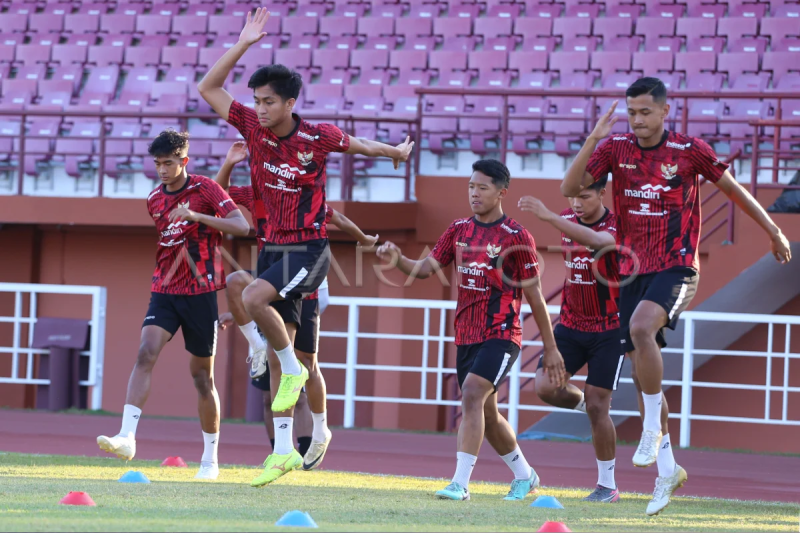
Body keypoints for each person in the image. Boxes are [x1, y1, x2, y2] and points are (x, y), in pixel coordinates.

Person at [199, 8, 412, 487]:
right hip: (272, 249)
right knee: (274, 349)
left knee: (256, 304)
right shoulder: (252, 129)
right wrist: (242, 44)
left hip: (309, 250)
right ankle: (281, 450)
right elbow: (208, 89)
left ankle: (305, 397)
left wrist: (396, 152)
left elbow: (360, 145)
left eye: (269, 101)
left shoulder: (317, 137)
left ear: (291, 103)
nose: (260, 108)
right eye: (256, 100)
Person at [561, 77, 792, 516]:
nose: (637, 120)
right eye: (631, 113)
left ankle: (651, 429)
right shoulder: (616, 149)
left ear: (666, 111)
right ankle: (667, 470)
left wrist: (774, 230)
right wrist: (594, 136)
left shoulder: (689, 152)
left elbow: (735, 192)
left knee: (640, 327)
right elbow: (569, 188)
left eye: (645, 112)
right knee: (642, 367)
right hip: (631, 270)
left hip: (677, 264)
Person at [376, 160, 566, 502]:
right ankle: (526, 475)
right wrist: (397, 258)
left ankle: (460, 484)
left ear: (501, 192)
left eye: (482, 187)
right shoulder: (458, 229)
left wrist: (550, 349)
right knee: (488, 415)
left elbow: (535, 295)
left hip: (503, 333)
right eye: (470, 186)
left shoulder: (517, 236)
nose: (474, 193)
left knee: (472, 392)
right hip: (466, 335)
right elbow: (423, 270)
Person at [96, 130, 250, 481]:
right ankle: (127, 436)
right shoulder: (153, 199)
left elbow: (242, 226)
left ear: (184, 161)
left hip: (201, 294)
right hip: (164, 290)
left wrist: (199, 218)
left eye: (168, 163)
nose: (162, 170)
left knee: (201, 378)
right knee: (145, 352)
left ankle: (210, 460)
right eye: (157, 164)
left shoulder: (206, 189)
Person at [214, 142, 378, 469]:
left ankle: (320, 431)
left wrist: (364, 239)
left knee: (307, 364)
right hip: (274, 279)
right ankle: (283, 447)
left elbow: (339, 219)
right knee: (278, 358)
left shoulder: (302, 198)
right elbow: (218, 193)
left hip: (307, 287)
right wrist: (231, 162)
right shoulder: (255, 195)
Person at [518, 178, 623, 504]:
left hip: (610, 328)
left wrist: (547, 215)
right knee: (545, 387)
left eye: (585, 196)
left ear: (602, 193)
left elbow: (595, 241)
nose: (577, 203)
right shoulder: (566, 218)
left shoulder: (618, 225)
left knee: (598, 404)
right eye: (573, 197)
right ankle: (589, 407)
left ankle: (607, 486)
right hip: (571, 324)